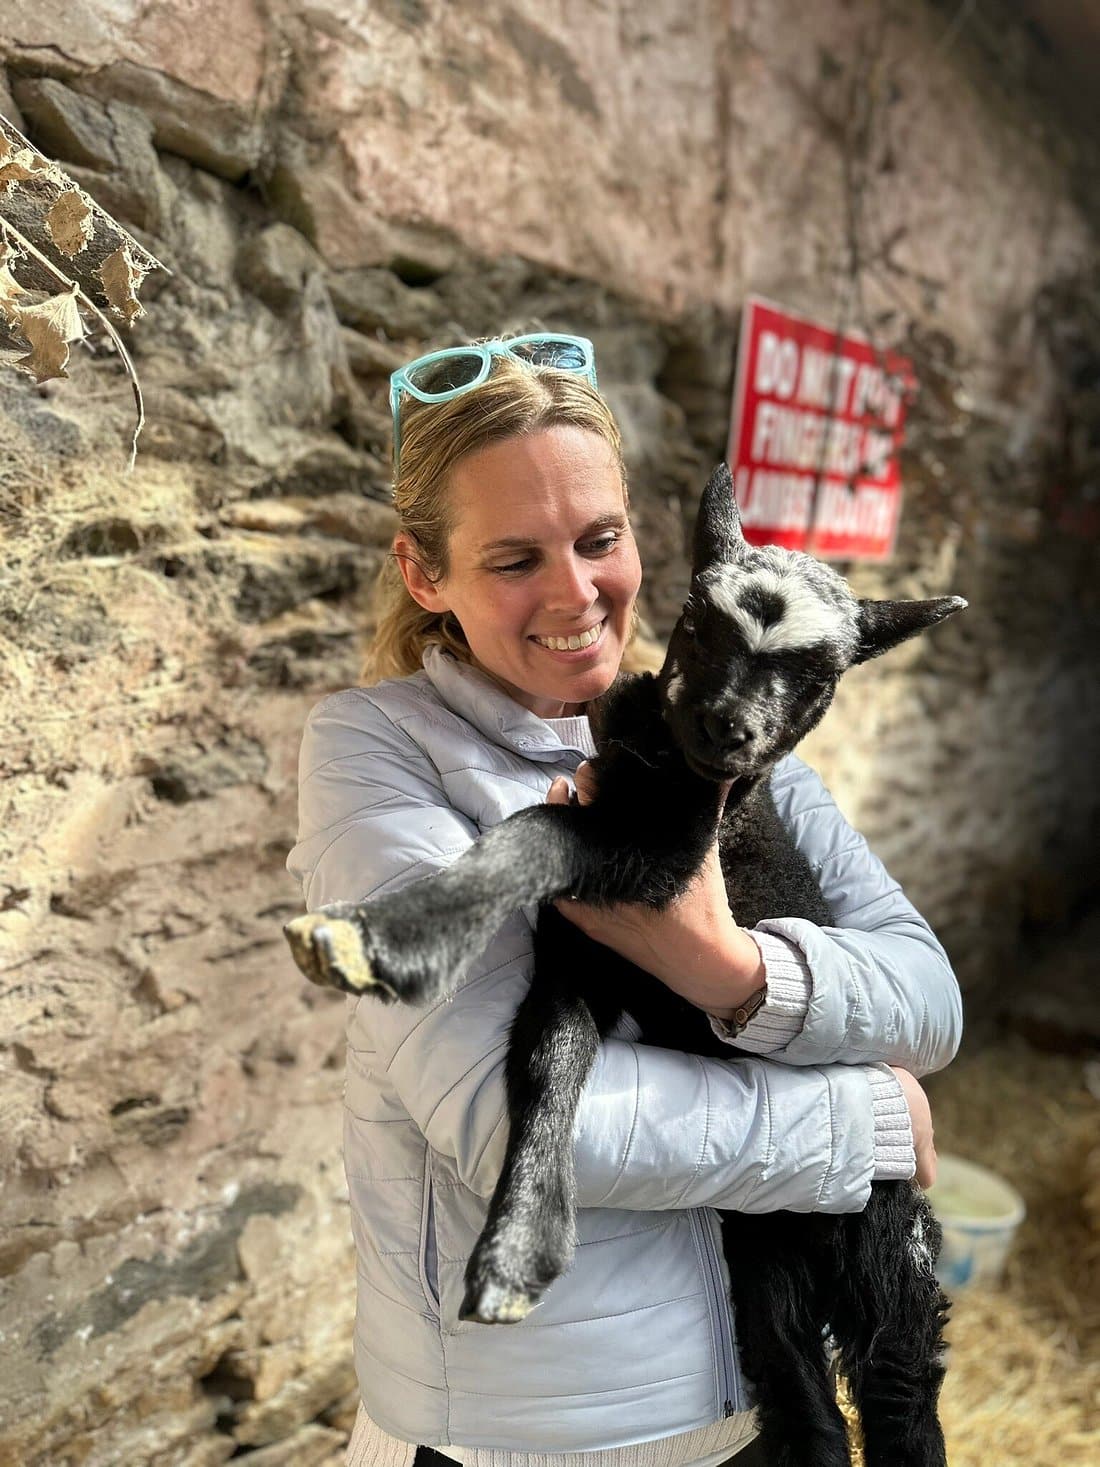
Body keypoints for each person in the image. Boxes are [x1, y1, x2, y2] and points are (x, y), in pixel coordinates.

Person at [286, 334, 960, 1467]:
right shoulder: (378, 751)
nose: (574, 592)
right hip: (541, 1434)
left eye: (599, 539)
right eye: (511, 560)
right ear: (422, 573)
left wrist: (729, 971)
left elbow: (925, 998)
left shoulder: (730, 740)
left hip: (755, 1406)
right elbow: (509, 1127)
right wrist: (868, 1124)